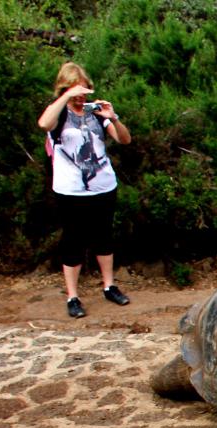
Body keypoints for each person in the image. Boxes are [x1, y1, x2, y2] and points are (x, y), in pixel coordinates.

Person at [37, 62, 132, 319]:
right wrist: (65, 98)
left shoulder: (95, 114)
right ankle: (72, 296)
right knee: (73, 241)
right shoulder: (58, 116)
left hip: (102, 186)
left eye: (84, 90)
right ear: (64, 89)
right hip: (71, 191)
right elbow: (44, 123)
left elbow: (124, 139)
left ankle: (109, 285)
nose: (81, 96)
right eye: (76, 90)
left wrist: (113, 117)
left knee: (104, 237)